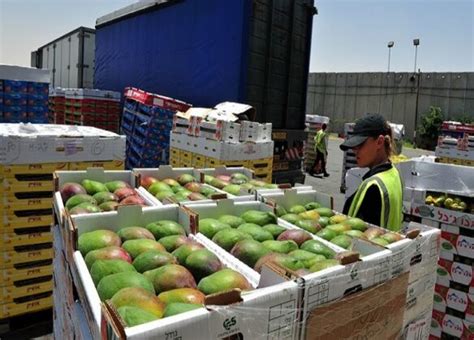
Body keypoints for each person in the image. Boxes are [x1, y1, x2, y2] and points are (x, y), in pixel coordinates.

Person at [341, 114, 403, 231]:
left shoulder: (373, 187)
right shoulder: (394, 173)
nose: (355, 150)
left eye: (360, 144)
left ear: (379, 142)